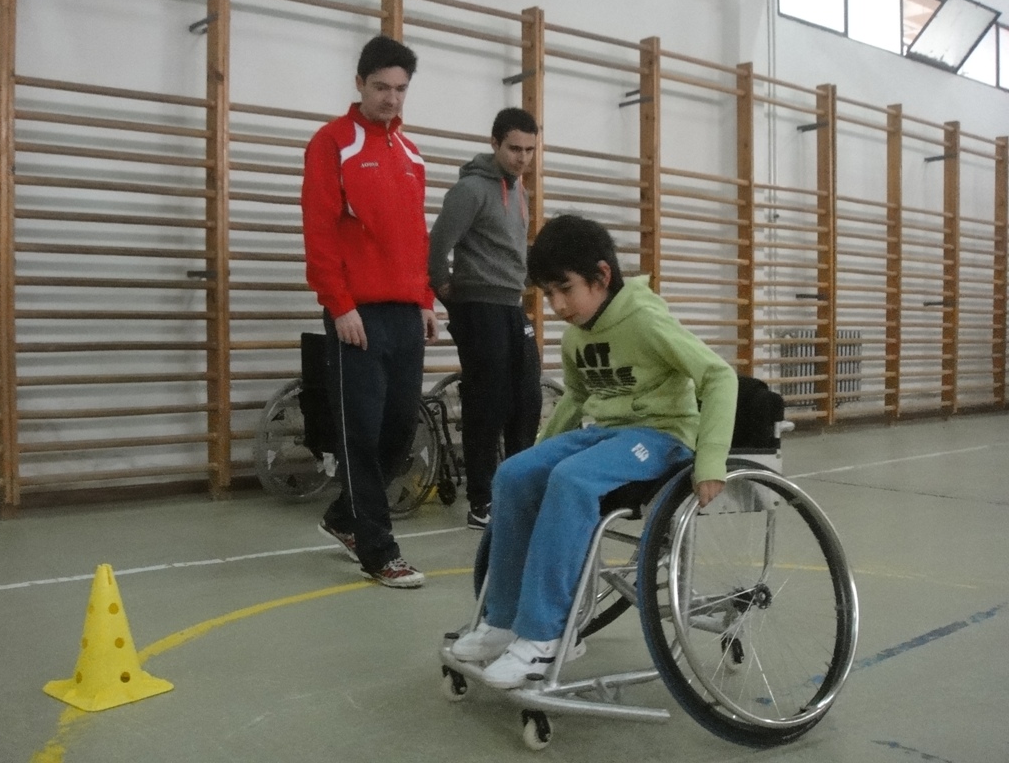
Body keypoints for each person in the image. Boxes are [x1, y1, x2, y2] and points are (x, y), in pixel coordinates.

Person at [450, 214, 738, 687]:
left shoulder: (645, 319)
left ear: (602, 277)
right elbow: (578, 398)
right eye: (548, 295)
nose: (558, 305)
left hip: (662, 437)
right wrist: (539, 456)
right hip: (605, 433)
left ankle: (546, 636)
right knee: (514, 475)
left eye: (565, 289)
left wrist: (711, 460)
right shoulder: (575, 334)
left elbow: (718, 375)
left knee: (572, 479)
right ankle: (503, 622)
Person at [301, 35, 438, 589]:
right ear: (359, 84)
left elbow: (414, 237)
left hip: (406, 315)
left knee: (399, 432)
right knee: (360, 433)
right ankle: (380, 552)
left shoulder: (411, 154)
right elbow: (320, 231)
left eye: (400, 89)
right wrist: (339, 305)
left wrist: (425, 299)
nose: (391, 98)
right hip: (356, 315)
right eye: (381, 87)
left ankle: (342, 517)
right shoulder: (331, 143)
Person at [428, 107, 543, 530]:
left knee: (527, 400)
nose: (522, 158)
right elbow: (438, 244)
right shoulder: (471, 190)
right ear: (494, 144)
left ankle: (514, 491)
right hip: (478, 307)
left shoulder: (521, 191)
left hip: (512, 305)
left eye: (530, 150)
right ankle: (482, 500)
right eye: (514, 148)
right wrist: (449, 295)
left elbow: (513, 252)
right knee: (487, 404)